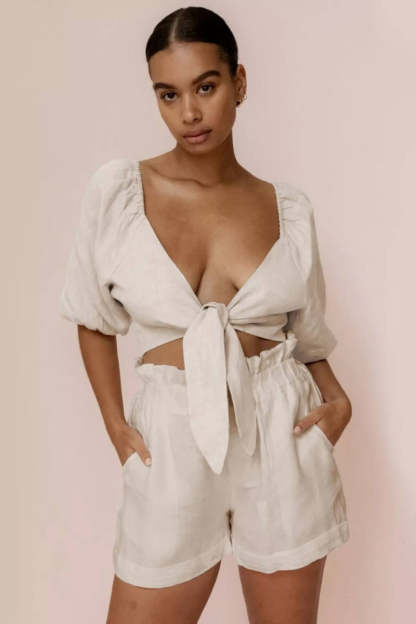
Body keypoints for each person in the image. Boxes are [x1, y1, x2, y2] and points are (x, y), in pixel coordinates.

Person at [59, 6, 351, 623]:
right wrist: (116, 425)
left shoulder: (289, 209)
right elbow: (91, 316)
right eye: (168, 94)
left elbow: (307, 335)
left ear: (239, 83)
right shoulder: (119, 191)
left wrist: (338, 402)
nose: (189, 113)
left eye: (206, 87)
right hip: (171, 433)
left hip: (280, 433)